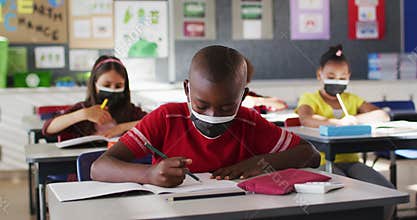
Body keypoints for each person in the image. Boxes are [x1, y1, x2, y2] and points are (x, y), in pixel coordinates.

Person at [91, 45, 320, 187]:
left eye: (226, 108)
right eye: (201, 105)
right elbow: (99, 167)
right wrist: (149, 174)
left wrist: (261, 163)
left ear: (242, 96)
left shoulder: (248, 121)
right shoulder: (166, 118)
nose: (212, 116)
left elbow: (311, 154)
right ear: (187, 90)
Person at [42, 55, 147, 140]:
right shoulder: (83, 108)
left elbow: (156, 123)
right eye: (106, 85)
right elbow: (48, 129)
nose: (112, 89)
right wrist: (83, 114)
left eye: (118, 86)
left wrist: (121, 127)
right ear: (95, 84)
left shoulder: (130, 111)